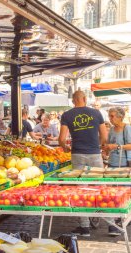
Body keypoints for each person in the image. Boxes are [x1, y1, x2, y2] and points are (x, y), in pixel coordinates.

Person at [58, 91, 119, 237]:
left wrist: (66, 147)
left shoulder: (67, 115)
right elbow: (104, 137)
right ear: (85, 99)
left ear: (73, 101)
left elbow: (61, 139)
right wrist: (98, 146)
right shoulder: (97, 113)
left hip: (77, 154)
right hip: (94, 154)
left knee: (81, 190)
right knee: (101, 189)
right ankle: (112, 226)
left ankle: (84, 227)